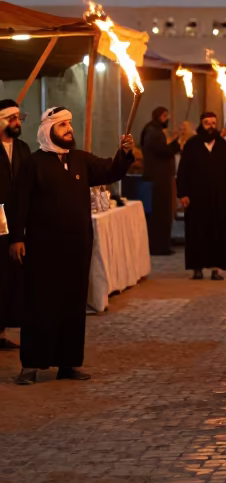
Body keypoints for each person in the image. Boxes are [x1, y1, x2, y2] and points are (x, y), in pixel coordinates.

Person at [9, 106, 134, 384]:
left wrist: (124, 154)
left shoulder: (81, 160)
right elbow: (20, 203)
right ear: (48, 129)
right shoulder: (33, 163)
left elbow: (111, 170)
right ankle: (31, 365)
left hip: (77, 246)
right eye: (63, 125)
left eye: (70, 124)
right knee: (40, 305)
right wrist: (17, 237)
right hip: (42, 248)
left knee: (73, 305)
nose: (69, 129)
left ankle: (68, 363)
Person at [176, 110, 226, 280]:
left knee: (217, 232)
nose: (211, 126)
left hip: (219, 198)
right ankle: (196, 267)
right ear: (201, 124)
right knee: (196, 232)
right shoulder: (191, 145)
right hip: (195, 198)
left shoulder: (224, 147)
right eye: (207, 123)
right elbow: (182, 171)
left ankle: (216, 268)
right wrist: (182, 193)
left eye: (213, 123)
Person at [0, 100, 29, 351]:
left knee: (9, 279)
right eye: (12, 118)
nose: (18, 123)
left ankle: (1, 331)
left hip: (15, 222)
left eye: (19, 118)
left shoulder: (23, 148)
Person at [140, 105, 183, 256]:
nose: (168, 119)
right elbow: (163, 151)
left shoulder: (154, 131)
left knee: (163, 213)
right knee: (160, 214)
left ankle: (162, 245)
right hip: (158, 179)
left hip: (160, 177)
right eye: (165, 116)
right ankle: (159, 247)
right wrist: (177, 143)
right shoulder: (153, 132)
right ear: (158, 117)